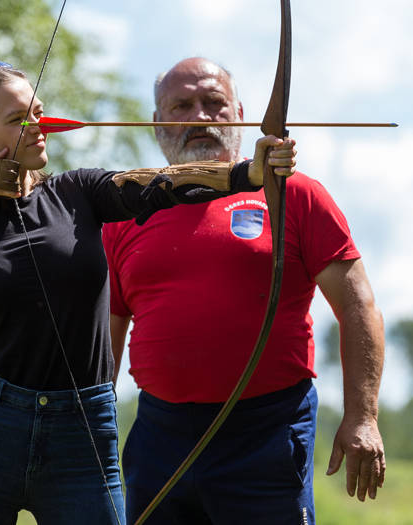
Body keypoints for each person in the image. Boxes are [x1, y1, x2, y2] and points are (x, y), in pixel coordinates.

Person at [0, 60, 295, 525]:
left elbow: (159, 186)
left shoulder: (80, 191)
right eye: (18, 120)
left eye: (39, 111)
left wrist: (245, 174)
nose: (40, 126)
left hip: (82, 432)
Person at [102, 57, 386, 525]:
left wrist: (363, 417)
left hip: (266, 432)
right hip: (160, 434)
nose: (199, 117)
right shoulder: (125, 211)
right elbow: (106, 333)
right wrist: (88, 430)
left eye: (214, 103)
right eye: (182, 105)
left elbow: (359, 307)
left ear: (241, 114)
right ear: (156, 122)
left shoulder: (294, 194)